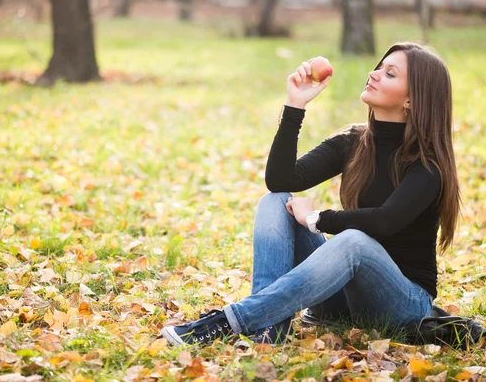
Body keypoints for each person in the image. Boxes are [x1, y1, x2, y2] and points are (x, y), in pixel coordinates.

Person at [160, 42, 462, 347]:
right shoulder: (354, 141)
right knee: (276, 202)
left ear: (411, 100)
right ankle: (270, 329)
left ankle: (228, 321)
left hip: (403, 306)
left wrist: (316, 219)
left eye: (390, 73)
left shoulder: (427, 166)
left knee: (354, 242)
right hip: (342, 300)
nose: (374, 74)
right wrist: (295, 105)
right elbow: (280, 180)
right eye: (379, 66)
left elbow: (385, 221)